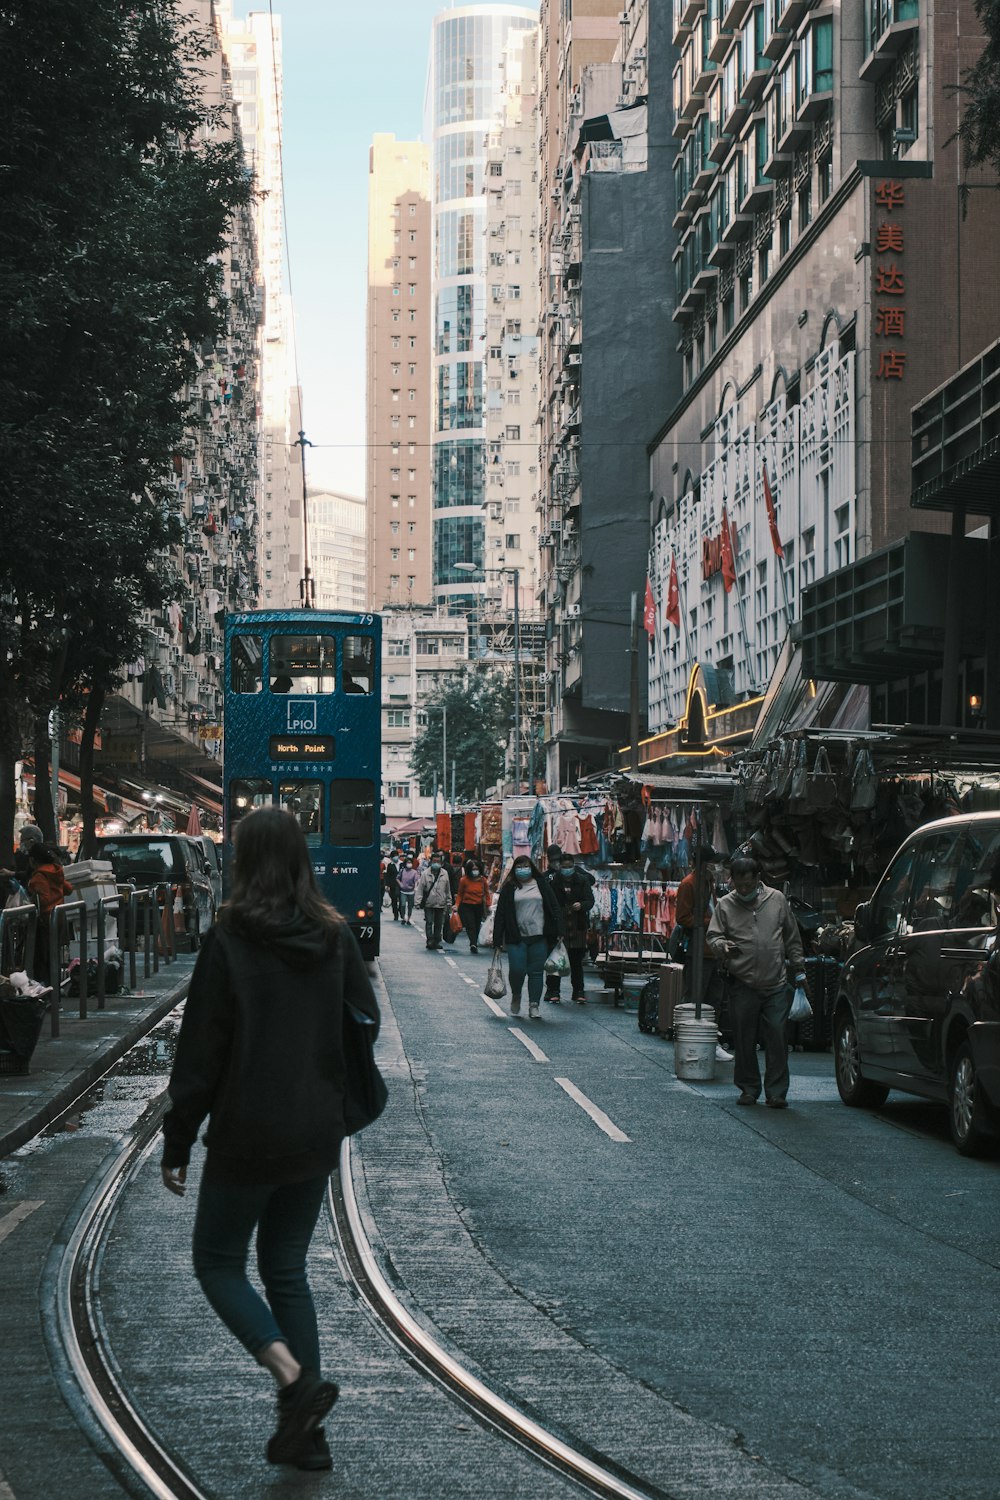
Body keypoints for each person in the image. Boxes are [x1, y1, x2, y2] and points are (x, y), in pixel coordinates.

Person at [159, 806, 379, 1473]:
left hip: (247, 1132)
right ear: (302, 860)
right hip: (315, 1130)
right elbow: (362, 1022)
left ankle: (291, 1375)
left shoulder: (229, 940)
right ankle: (304, 1436)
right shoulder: (335, 936)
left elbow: (201, 1051)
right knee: (285, 1268)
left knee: (217, 1262)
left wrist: (179, 1137)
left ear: (244, 862)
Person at [707, 854, 807, 1108]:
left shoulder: (777, 900)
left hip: (775, 982)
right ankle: (749, 1088)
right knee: (744, 1038)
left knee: (777, 1035)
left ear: (758, 880)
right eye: (738, 885)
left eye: (748, 886)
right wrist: (723, 946)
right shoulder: (725, 904)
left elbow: (792, 937)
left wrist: (799, 969)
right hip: (742, 982)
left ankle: (776, 1093)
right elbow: (713, 936)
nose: (743, 890)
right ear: (732, 881)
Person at [491, 855, 563, 1019]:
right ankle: (516, 995)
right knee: (517, 970)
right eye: (519, 867)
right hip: (516, 937)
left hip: (539, 936)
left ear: (532, 868)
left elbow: (554, 906)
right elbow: (501, 914)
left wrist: (559, 930)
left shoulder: (542, 885)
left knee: (536, 972)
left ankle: (534, 1005)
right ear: (514, 870)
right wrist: (497, 939)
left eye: (526, 866)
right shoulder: (509, 887)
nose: (523, 870)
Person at [676, 853, 732, 1062]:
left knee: (714, 998)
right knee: (695, 997)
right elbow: (683, 917)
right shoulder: (688, 884)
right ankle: (690, 1041)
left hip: (713, 949)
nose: (713, 866)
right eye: (709, 862)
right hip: (698, 949)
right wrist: (712, 921)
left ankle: (711, 1041)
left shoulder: (709, 882)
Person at [544, 851, 594, 1004]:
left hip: (577, 924)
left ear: (573, 866)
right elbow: (548, 903)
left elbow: (590, 900)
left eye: (570, 866)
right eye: (564, 866)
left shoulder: (582, 880)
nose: (567, 869)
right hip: (559, 924)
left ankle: (578, 990)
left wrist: (582, 905)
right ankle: (553, 991)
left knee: (576, 960)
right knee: (556, 958)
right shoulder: (552, 882)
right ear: (560, 867)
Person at [27, 843, 74, 983]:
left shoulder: (39, 876)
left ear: (33, 860)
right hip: (59, 917)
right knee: (54, 955)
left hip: (46, 920)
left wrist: (33, 898)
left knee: (44, 957)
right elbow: (69, 889)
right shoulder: (56, 871)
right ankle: (55, 992)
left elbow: (44, 899)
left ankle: (47, 991)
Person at [414, 854, 452, 950]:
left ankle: (436, 941)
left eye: (438, 861)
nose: (436, 863)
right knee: (429, 922)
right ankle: (430, 940)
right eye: (434, 861)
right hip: (429, 902)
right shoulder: (425, 874)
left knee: (439, 923)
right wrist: (418, 902)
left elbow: (447, 889)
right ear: (430, 862)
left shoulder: (445, 873)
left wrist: (449, 902)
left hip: (441, 903)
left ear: (441, 863)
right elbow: (420, 889)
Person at [455, 858, 491, 953]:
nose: (475, 871)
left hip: (479, 906)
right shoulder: (464, 880)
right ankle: (473, 943)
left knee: (477, 924)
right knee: (470, 925)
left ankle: (474, 941)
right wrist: (456, 905)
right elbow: (460, 894)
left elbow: (487, 893)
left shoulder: (483, 880)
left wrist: (488, 904)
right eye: (473, 869)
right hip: (467, 906)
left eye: (476, 869)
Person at [398, 856, 418, 925]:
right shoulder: (402, 871)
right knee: (403, 905)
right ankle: (403, 917)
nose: (409, 864)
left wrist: (415, 888)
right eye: (408, 862)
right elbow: (397, 878)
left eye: (410, 862)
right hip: (403, 891)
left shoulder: (414, 872)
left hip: (411, 891)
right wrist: (400, 884)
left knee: (410, 906)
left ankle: (409, 918)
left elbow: (416, 881)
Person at [383, 851, 400, 921]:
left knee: (402, 901)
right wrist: (387, 885)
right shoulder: (390, 865)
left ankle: (401, 912)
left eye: (396, 855)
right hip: (393, 885)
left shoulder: (402, 864)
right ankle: (395, 914)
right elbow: (388, 876)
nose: (395, 857)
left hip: (402, 885)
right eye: (393, 856)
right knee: (394, 900)